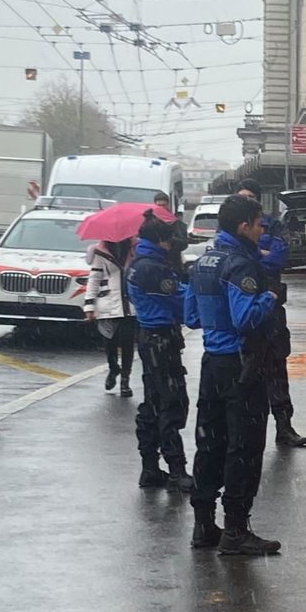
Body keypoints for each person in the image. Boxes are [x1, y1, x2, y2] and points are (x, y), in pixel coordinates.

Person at [184, 194, 282, 556]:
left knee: (210, 444)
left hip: (212, 364)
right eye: (258, 224)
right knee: (244, 447)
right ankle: (237, 530)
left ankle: (204, 525)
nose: (261, 231)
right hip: (241, 367)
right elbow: (247, 318)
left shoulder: (203, 262)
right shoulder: (241, 266)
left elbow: (191, 316)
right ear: (244, 226)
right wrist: (269, 297)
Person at [237, 178, 306, 449]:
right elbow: (245, 258)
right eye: (242, 197)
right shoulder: (233, 228)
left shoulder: (272, 224)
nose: (247, 202)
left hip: (273, 311)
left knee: (277, 369)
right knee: (246, 373)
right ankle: (247, 432)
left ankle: (284, 427)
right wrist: (259, 251)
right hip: (248, 310)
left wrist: (257, 252)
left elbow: (279, 257)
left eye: (250, 197)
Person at [126, 210, 192, 493]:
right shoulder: (154, 269)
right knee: (171, 403)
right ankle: (176, 469)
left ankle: (150, 468)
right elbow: (180, 303)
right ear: (160, 241)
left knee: (152, 403)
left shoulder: (137, 263)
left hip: (148, 336)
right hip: (161, 339)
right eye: (169, 242)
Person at [85, 237, 136, 397]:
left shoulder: (134, 249)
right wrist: (89, 306)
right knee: (110, 342)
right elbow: (94, 279)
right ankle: (113, 368)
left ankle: (125, 381)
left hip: (129, 305)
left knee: (128, 344)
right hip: (108, 304)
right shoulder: (100, 252)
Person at [154, 190, 190, 273]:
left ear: (168, 205)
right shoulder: (150, 223)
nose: (162, 208)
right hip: (155, 262)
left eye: (164, 205)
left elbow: (184, 244)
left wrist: (170, 239)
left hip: (173, 263)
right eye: (159, 205)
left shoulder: (177, 223)